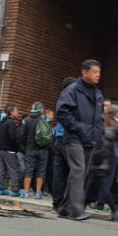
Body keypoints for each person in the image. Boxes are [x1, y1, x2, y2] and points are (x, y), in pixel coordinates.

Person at [56, 60, 105, 221]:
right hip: (74, 138)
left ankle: (64, 207)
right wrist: (78, 128)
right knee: (78, 170)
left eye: (99, 72)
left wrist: (99, 133)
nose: (98, 75)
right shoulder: (72, 91)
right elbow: (62, 112)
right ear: (84, 72)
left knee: (80, 174)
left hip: (91, 139)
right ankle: (76, 209)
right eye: (94, 72)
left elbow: (98, 118)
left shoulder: (97, 93)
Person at [86, 129, 118, 221]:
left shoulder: (100, 142)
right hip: (104, 171)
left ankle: (83, 207)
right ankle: (112, 211)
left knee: (93, 189)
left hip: (97, 170)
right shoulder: (113, 145)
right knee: (102, 190)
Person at [50, 78, 75, 212]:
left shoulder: (61, 98)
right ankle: (68, 204)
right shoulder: (72, 98)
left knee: (59, 173)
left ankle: (57, 202)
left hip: (58, 138)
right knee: (74, 172)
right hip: (69, 139)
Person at [20, 102, 51, 199]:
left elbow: (21, 136)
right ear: (41, 109)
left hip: (30, 149)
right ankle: (38, 193)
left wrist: (25, 147)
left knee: (29, 170)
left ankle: (25, 192)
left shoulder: (26, 120)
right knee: (41, 171)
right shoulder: (45, 119)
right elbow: (49, 135)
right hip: (43, 149)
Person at [0, 104, 23, 196]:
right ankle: (15, 190)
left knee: (1, 169)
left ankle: (0, 188)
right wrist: (16, 148)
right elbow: (13, 138)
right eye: (16, 111)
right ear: (11, 112)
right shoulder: (11, 123)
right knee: (13, 170)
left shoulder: (2, 122)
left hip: (0, 149)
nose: (17, 113)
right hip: (9, 150)